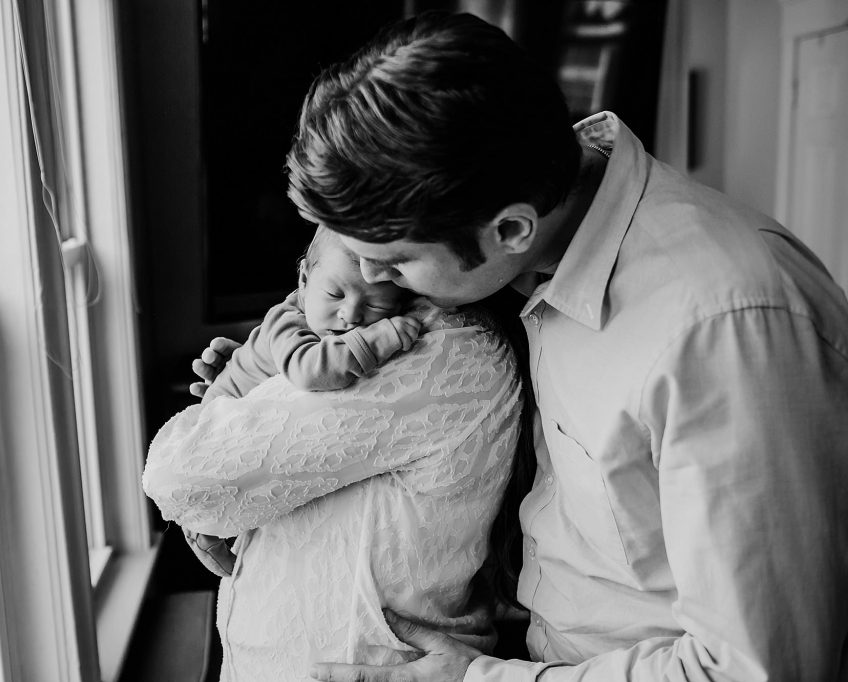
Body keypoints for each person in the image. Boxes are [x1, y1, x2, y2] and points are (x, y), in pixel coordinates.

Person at [193, 11, 848, 682]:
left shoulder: (724, 327)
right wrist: (255, 394)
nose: (372, 286)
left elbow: (761, 669)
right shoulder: (515, 260)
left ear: (509, 229)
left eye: (393, 265)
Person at [144, 223, 528, 680]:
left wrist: (239, 412)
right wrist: (251, 390)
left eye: (377, 292)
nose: (354, 311)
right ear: (305, 281)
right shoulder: (330, 324)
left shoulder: (442, 348)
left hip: (350, 659)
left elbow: (177, 475)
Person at [200, 225, 424, 404]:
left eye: (376, 306)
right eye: (335, 294)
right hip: (220, 409)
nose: (351, 315)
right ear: (304, 279)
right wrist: (377, 339)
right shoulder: (285, 321)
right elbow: (308, 371)